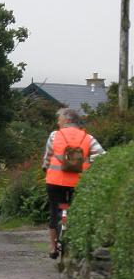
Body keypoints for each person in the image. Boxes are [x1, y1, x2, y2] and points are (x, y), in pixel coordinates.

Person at [42, 107, 104, 259]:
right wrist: (89, 167)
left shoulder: (54, 135)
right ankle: (78, 243)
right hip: (79, 183)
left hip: (55, 181)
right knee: (77, 211)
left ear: (67, 120)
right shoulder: (88, 138)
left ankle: (52, 247)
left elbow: (47, 157)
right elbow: (102, 156)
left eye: (59, 119)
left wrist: (45, 168)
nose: (58, 122)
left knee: (54, 212)